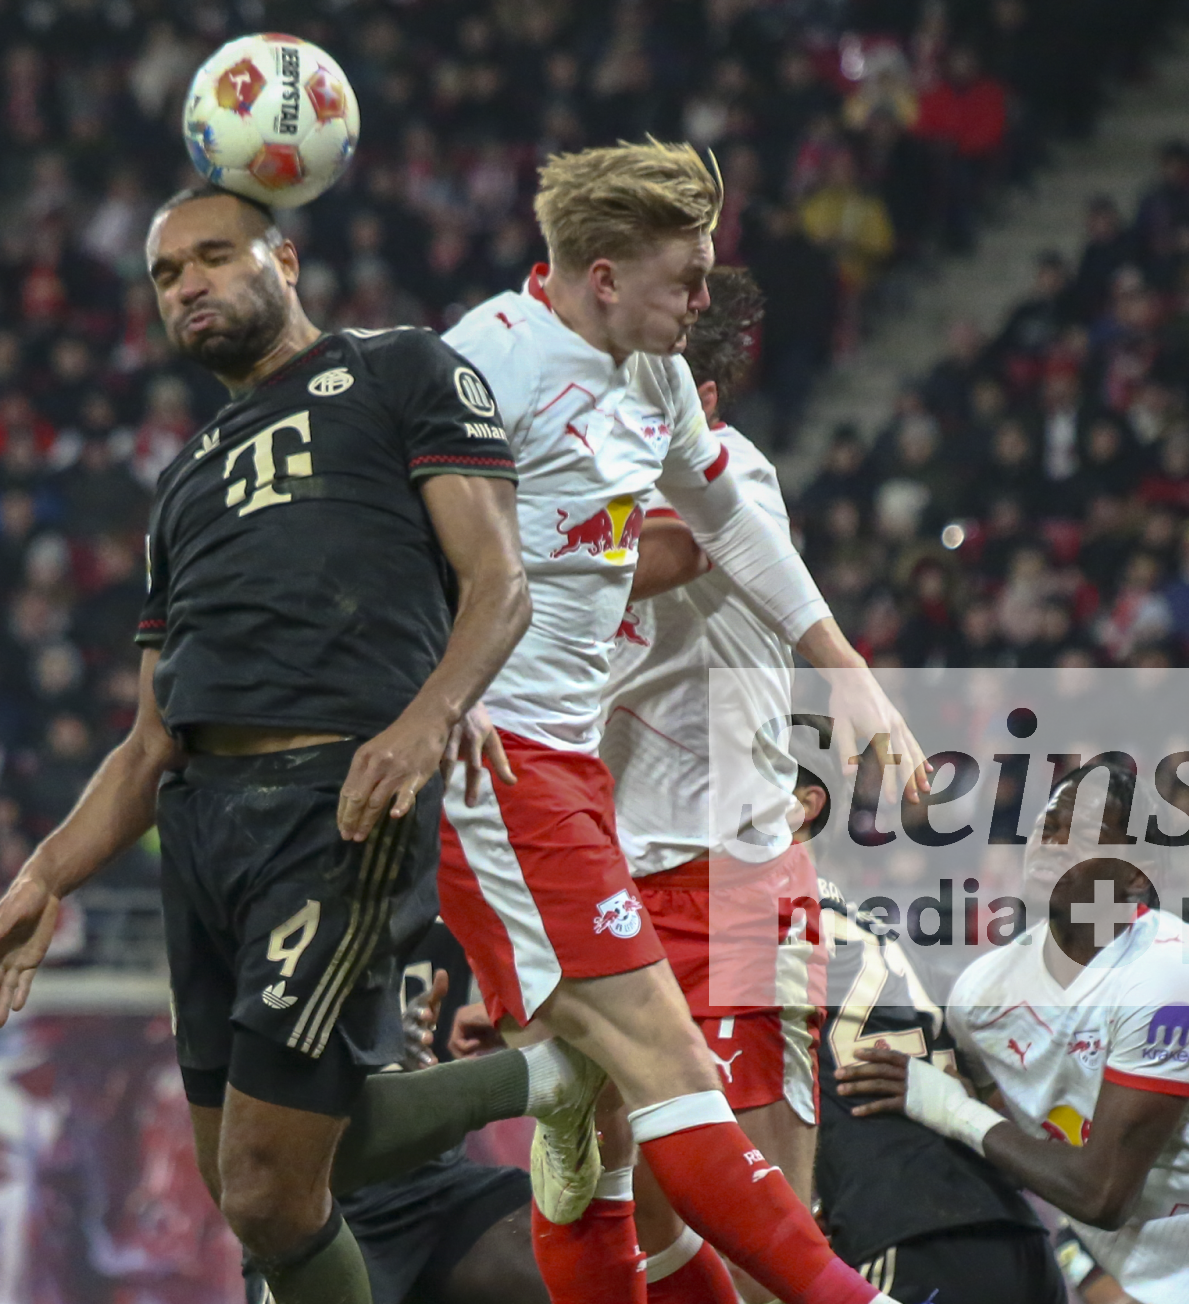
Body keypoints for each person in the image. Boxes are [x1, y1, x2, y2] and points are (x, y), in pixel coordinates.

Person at [0, 186, 604, 1304]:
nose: (188, 285)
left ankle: (555, 1075)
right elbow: (147, 742)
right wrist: (44, 875)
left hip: (333, 801)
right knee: (256, 1188)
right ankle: (551, 1076)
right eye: (167, 274)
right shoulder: (180, 484)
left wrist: (425, 721)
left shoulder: (401, 370)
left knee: (267, 1187)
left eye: (213, 256)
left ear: (285, 259)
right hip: (202, 832)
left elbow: (501, 585)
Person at [439, 140, 920, 1304]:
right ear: (604, 278)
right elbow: (629, 550)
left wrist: (845, 668)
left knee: (725, 1200)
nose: (699, 302)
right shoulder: (482, 363)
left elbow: (709, 528)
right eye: (684, 280)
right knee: (633, 1173)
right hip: (563, 818)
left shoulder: (698, 434)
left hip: (732, 868)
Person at [837, 778, 1189, 1304]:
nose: (1053, 842)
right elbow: (1004, 1146)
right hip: (1170, 1286)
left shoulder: (1172, 972)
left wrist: (948, 1107)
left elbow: (1102, 1194)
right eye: (1047, 826)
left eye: (1081, 834)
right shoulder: (983, 993)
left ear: (1137, 873)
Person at [594, 267, 823, 1303]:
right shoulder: (584, 490)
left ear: (702, 399)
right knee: (642, 1226)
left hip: (736, 884)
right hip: (617, 893)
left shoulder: (738, 474)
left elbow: (677, 549)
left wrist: (506, 549)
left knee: (764, 1240)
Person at [801, 765, 1064, 1303]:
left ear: (803, 806)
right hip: (1018, 1237)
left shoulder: (766, 934)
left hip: (907, 1236)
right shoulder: (902, 949)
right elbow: (1007, 1104)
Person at [244, 916, 547, 1304]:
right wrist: (369, 1046)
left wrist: (514, 1015)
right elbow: (247, 1089)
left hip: (440, 1182)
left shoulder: (447, 883)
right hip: (313, 1201)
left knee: (571, 1261)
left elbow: (579, 953)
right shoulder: (272, 901)